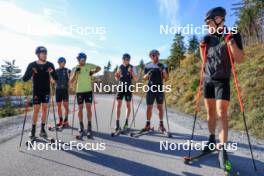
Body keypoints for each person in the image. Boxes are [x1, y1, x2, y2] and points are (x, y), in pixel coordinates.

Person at [201, 7, 244, 170]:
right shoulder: (208, 37)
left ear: (218, 19)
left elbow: (239, 59)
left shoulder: (233, 34)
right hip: (208, 80)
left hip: (222, 80)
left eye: (208, 22)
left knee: (221, 113)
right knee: (210, 112)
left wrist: (231, 41)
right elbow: (203, 61)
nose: (207, 25)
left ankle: (222, 149)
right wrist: (201, 46)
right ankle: (212, 140)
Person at [22, 46, 57, 139]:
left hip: (46, 91)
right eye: (43, 53)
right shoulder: (32, 65)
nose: (45, 54)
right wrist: (31, 72)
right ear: (38, 54)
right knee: (36, 110)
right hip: (36, 91)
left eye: (46, 53)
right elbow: (24, 79)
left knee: (45, 110)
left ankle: (42, 129)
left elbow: (56, 78)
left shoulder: (50, 65)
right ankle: (33, 130)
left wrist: (52, 73)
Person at [70, 52, 101, 137]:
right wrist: (76, 73)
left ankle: (89, 126)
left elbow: (99, 68)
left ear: (85, 59)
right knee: (80, 108)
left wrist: (93, 72)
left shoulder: (88, 65)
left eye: (83, 59)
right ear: (78, 59)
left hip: (88, 91)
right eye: (80, 59)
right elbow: (71, 81)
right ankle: (81, 125)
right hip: (79, 91)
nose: (81, 61)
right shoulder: (75, 68)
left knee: (88, 108)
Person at [142, 49, 169, 132]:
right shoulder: (147, 65)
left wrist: (163, 70)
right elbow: (144, 78)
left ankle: (161, 125)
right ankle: (147, 124)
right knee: (149, 107)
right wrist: (148, 73)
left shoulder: (163, 65)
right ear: (150, 56)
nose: (153, 56)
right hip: (150, 89)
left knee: (160, 107)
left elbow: (167, 78)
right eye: (151, 55)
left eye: (155, 55)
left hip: (159, 89)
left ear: (158, 55)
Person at [114, 53, 138, 131]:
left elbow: (136, 79)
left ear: (129, 60)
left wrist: (132, 72)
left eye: (127, 59)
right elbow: (117, 79)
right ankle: (117, 123)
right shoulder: (120, 67)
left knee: (128, 105)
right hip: (121, 87)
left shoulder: (132, 67)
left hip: (128, 88)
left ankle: (126, 123)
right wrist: (117, 75)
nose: (126, 60)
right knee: (118, 105)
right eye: (124, 59)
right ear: (122, 59)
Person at [53, 57, 71, 127]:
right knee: (59, 106)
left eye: (63, 62)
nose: (62, 63)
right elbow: (53, 81)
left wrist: (70, 83)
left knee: (66, 106)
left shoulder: (67, 70)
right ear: (58, 63)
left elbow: (71, 79)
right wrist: (49, 78)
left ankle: (66, 120)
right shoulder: (55, 71)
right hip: (58, 90)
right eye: (61, 62)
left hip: (65, 90)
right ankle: (60, 120)